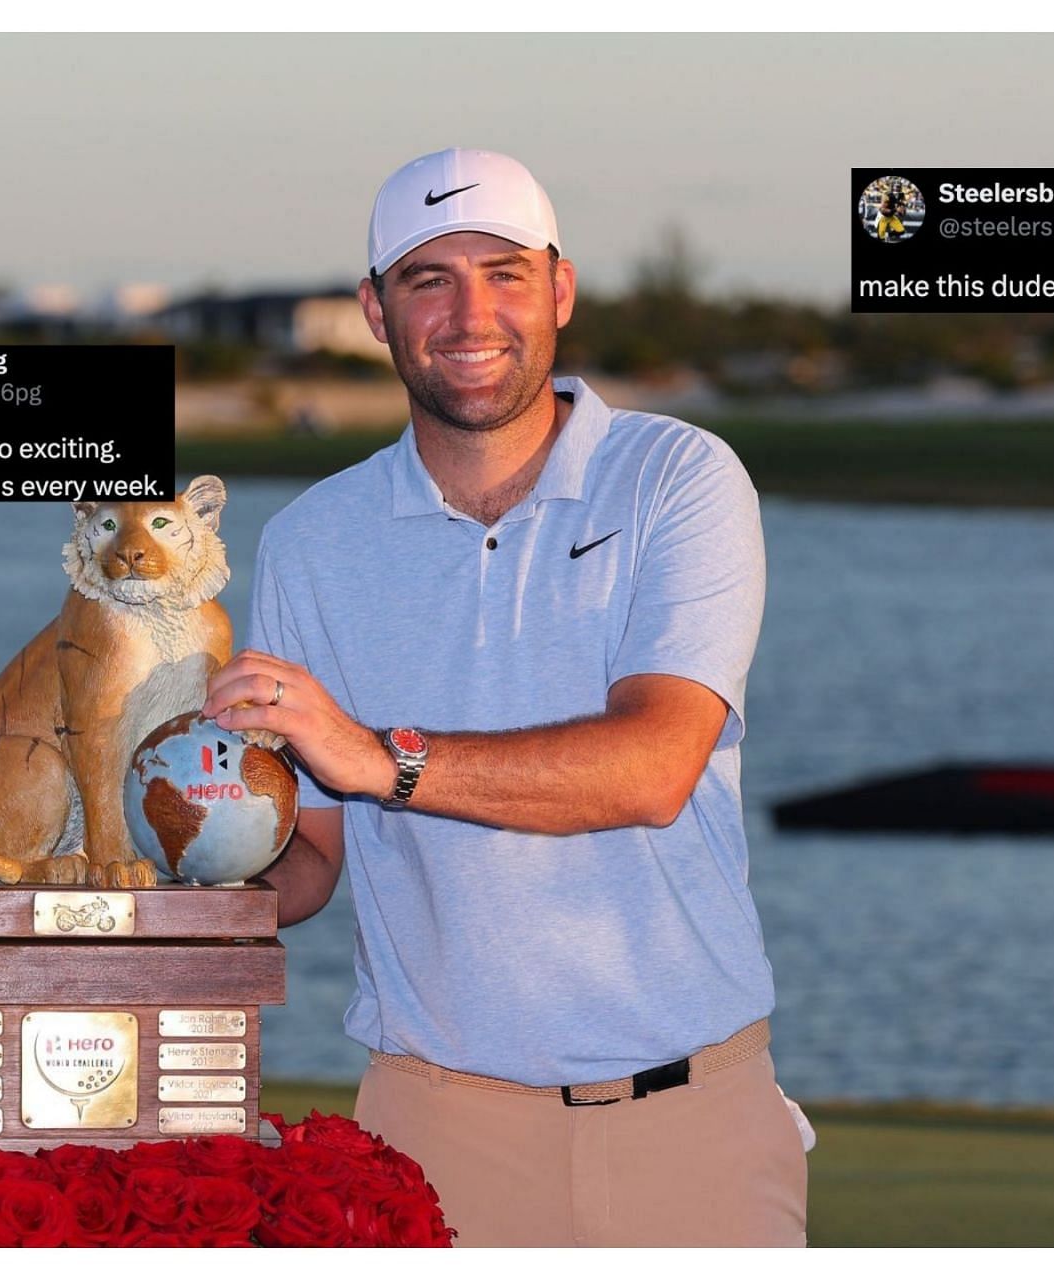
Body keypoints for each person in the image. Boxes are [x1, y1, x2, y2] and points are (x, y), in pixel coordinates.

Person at [201, 148, 806, 1247]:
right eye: (429, 278)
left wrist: (379, 757)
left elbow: (654, 765)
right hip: (430, 1131)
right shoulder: (309, 543)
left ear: (560, 291)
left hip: (691, 1124)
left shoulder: (679, 475)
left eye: (505, 272)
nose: (470, 312)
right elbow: (311, 858)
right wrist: (165, 881)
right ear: (375, 311)